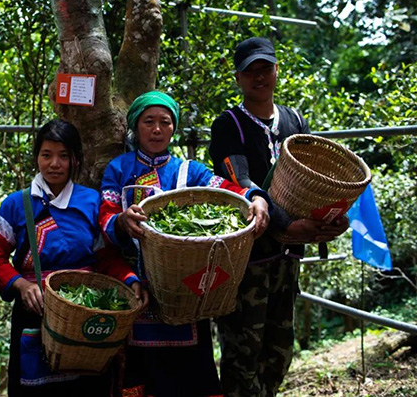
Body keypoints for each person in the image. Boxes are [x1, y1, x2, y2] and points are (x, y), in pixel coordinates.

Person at [98, 91, 272, 397]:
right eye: (148, 121)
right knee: (143, 377)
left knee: (193, 376)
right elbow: (106, 220)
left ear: (173, 128)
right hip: (138, 289)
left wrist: (255, 198)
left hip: (189, 292)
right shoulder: (119, 169)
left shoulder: (188, 171)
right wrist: (123, 221)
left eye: (164, 122)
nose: (156, 129)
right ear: (135, 127)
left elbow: (223, 189)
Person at [209, 37, 349, 397]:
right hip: (248, 261)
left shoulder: (294, 120)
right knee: (243, 354)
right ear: (238, 78)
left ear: (276, 71)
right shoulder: (229, 125)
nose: (259, 77)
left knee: (279, 353)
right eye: (250, 71)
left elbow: (310, 179)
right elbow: (241, 182)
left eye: (265, 68)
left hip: (287, 260)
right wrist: (289, 225)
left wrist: (330, 218)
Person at [0, 119, 148, 397]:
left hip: (86, 311)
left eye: (63, 156)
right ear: (36, 157)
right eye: (46, 155)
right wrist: (21, 286)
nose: (54, 164)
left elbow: (104, 255)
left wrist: (130, 279)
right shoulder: (16, 204)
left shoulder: (90, 201)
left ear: (75, 160)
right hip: (35, 310)